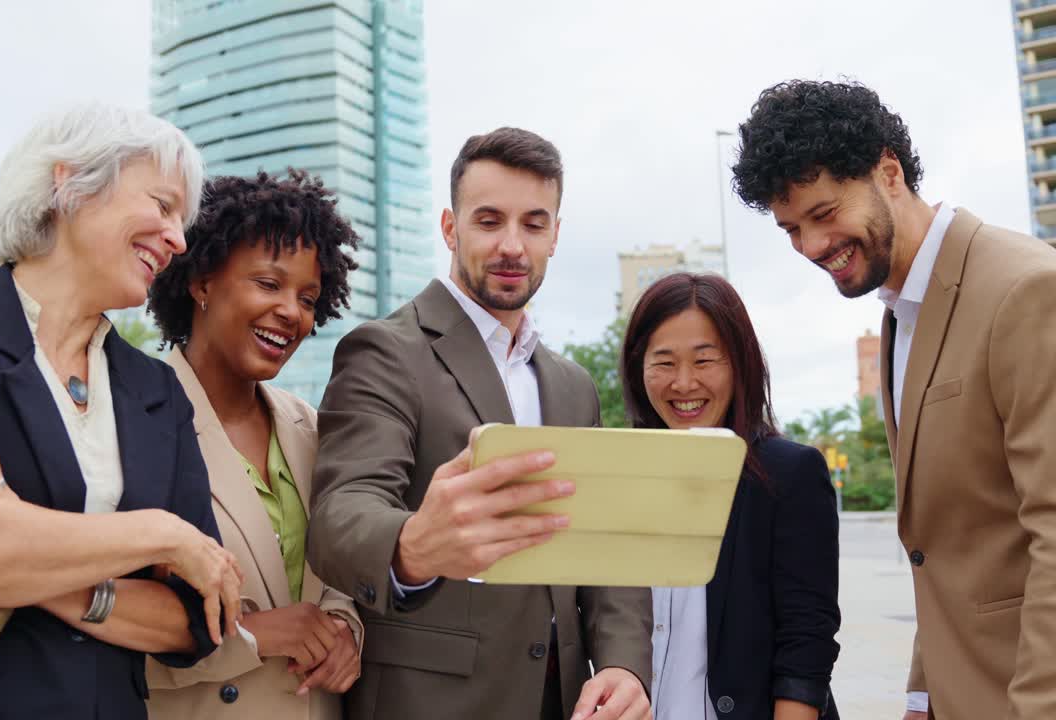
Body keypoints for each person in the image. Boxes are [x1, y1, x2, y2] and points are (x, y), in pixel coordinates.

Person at [0, 102, 244, 720]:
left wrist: (13, 525)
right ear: (68, 182)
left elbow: (196, 621)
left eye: (181, 220)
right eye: (162, 206)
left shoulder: (155, 390)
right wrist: (160, 534)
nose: (178, 239)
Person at [732, 79, 1056, 719]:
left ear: (888, 172)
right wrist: (921, 691)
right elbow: (944, 544)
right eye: (791, 229)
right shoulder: (899, 314)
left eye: (824, 214)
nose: (812, 248)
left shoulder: (1025, 289)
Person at [307, 127, 653, 720]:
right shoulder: (385, 350)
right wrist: (412, 545)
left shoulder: (573, 386)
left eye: (534, 224)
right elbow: (341, 515)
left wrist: (622, 663)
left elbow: (604, 547)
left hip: (563, 700)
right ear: (450, 227)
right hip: (429, 702)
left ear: (555, 235)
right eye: (489, 220)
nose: (513, 245)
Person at [142, 170, 364, 718]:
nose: (292, 311)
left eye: (308, 297)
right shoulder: (134, 420)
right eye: (268, 284)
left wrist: (347, 631)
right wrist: (254, 635)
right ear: (201, 282)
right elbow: (91, 621)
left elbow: (340, 572)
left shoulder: (312, 429)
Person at [621, 272, 840, 720]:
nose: (684, 384)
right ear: (638, 367)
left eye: (705, 361)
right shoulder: (619, 472)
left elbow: (807, 639)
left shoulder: (790, 473)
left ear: (740, 363)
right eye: (664, 362)